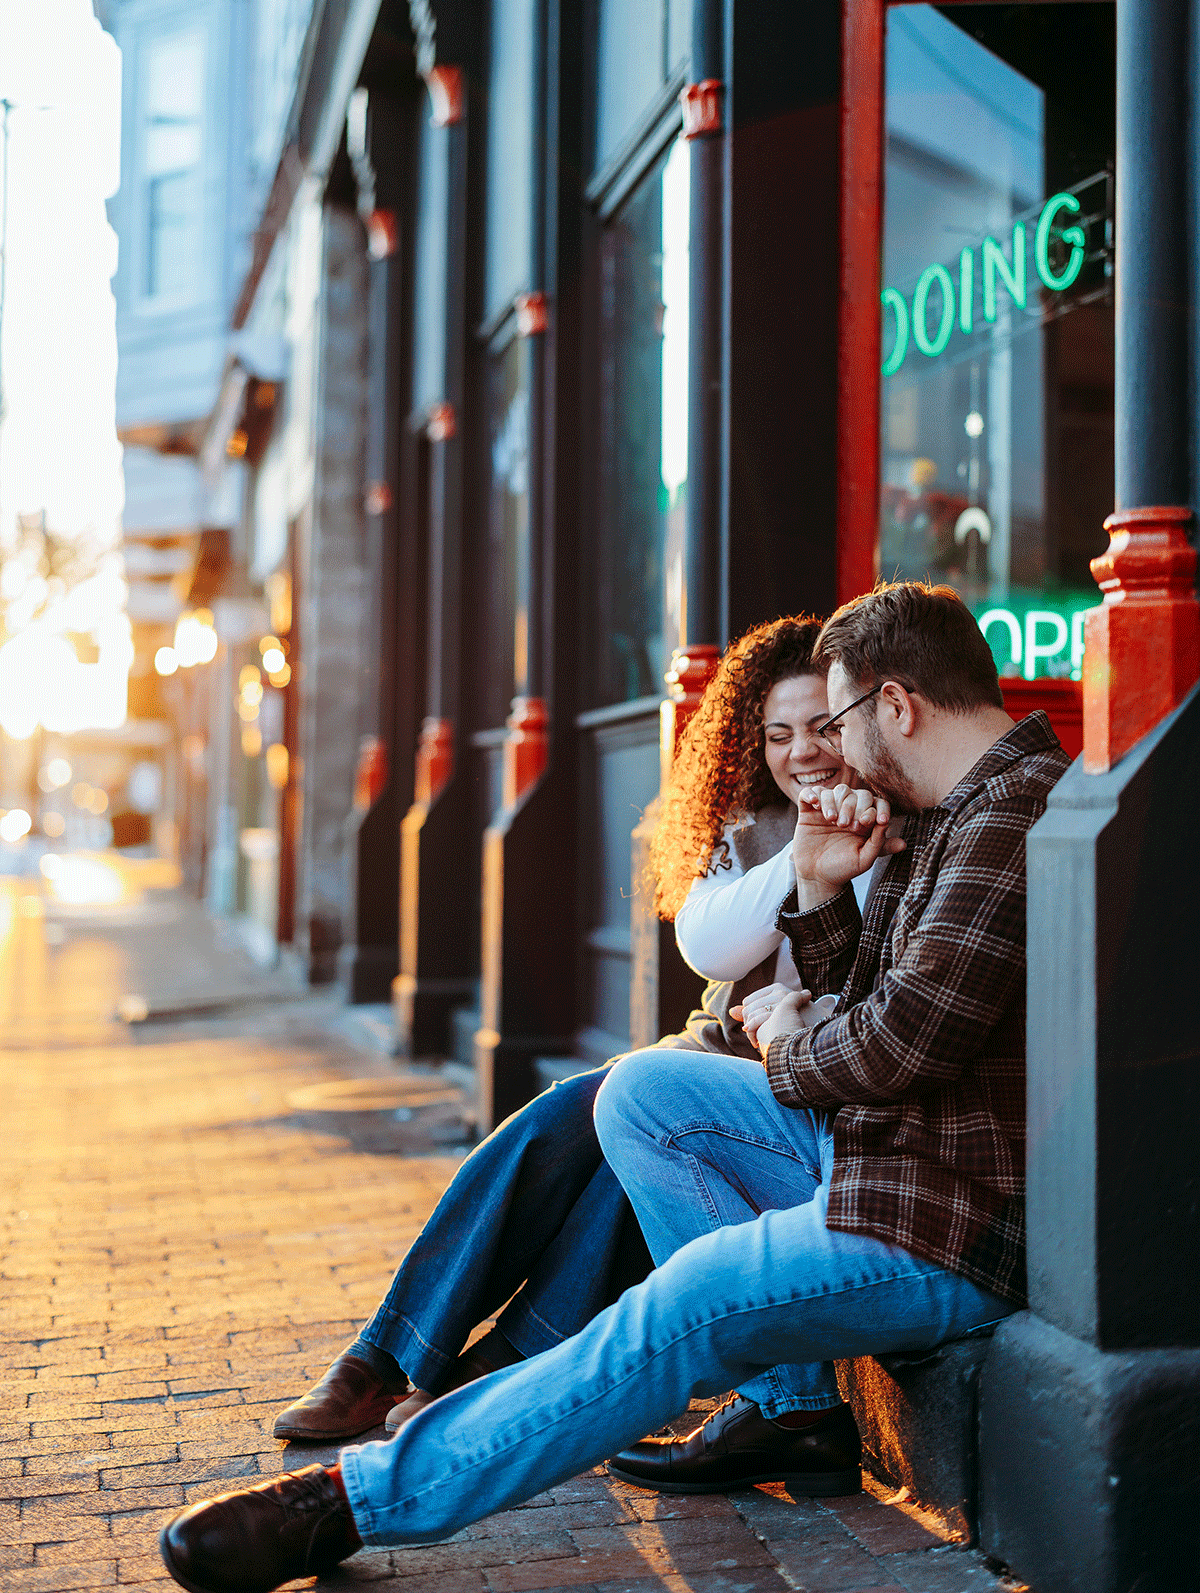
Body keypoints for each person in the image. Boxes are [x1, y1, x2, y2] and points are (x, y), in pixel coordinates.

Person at [158, 583, 1070, 1593]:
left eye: (843, 720)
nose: (836, 754)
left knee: (685, 1302)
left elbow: (891, 1046)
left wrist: (786, 1047)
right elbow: (864, 1006)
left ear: (895, 706)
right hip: (888, 1155)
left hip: (942, 1226)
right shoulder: (955, 811)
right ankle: (789, 1408)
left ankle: (359, 1500)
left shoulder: (1012, 817)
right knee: (638, 1091)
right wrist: (817, 891)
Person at [270, 615, 858, 1456]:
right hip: (717, 1055)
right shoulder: (749, 825)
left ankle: (468, 1363)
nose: (803, 752)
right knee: (570, 1114)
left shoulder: (887, 821)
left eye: (823, 728)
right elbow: (710, 944)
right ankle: (401, 1359)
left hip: (789, 1079)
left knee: (625, 1132)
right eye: (778, 733)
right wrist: (802, 854)